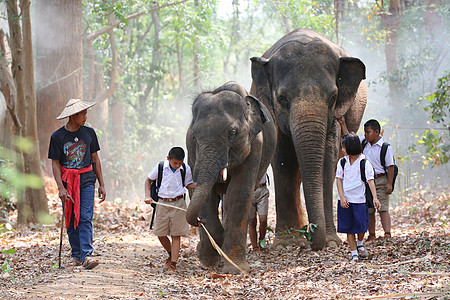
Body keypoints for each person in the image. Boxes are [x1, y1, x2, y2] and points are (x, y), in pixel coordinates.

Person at [48, 98, 106, 270]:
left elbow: (95, 159)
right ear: (73, 116)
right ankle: (76, 255)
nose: (86, 117)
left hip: (86, 179)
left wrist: (102, 184)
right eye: (83, 114)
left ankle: (87, 254)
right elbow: (55, 163)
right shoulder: (57, 136)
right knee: (71, 218)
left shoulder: (89, 133)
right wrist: (60, 187)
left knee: (85, 217)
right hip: (68, 182)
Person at [338, 117, 395, 241]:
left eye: (368, 132)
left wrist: (389, 183)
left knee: (383, 208)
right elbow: (350, 139)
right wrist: (342, 124)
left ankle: (387, 233)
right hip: (365, 181)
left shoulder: (385, 147)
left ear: (377, 132)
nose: (366, 135)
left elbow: (390, 167)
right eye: (365, 132)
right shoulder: (363, 143)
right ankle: (372, 234)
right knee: (369, 209)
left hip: (380, 180)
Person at [144, 147, 196, 273]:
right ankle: (171, 253)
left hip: (178, 203)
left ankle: (173, 264)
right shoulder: (161, 167)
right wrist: (147, 196)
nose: (177, 165)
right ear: (168, 159)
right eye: (175, 163)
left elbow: (188, 185)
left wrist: (200, 184)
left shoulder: (185, 169)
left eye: (180, 163)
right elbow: (148, 181)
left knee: (176, 235)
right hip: (162, 203)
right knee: (161, 234)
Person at [336, 133, 381, 261]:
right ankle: (354, 252)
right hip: (346, 201)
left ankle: (360, 243)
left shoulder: (364, 163)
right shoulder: (342, 162)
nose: (342, 149)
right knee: (349, 228)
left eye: (343, 147)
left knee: (361, 226)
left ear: (351, 147)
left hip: (360, 200)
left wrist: (375, 198)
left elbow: (370, 181)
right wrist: (342, 197)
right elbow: (338, 180)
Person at [248, 172, 269, 252]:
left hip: (262, 189)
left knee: (263, 220)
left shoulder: (264, 159)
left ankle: (261, 241)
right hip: (250, 190)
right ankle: (255, 246)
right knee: (252, 220)